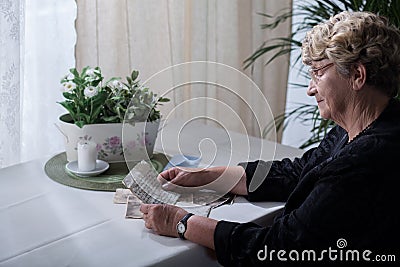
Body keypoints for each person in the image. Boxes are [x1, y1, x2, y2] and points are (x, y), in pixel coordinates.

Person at [140, 11, 400, 266]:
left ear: (357, 75)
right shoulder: (364, 126)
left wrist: (181, 222)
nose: (311, 89)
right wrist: (209, 176)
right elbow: (299, 172)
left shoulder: (366, 161)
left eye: (318, 73)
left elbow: (277, 249)